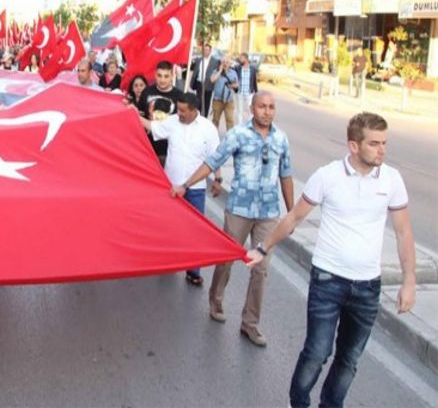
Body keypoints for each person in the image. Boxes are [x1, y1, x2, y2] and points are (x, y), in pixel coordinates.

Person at [248, 112, 415, 406]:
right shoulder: (327, 176)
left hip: (368, 287)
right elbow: (294, 217)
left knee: (349, 360)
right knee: (317, 353)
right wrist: (262, 248)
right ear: (353, 145)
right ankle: (298, 402)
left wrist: (409, 280)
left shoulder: (391, 179)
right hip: (328, 281)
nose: (382, 150)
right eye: (374, 143)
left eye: (384, 143)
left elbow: (403, 231)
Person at [172, 91, 294, 347]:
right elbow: (212, 161)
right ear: (252, 108)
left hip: (268, 214)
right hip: (239, 208)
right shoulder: (237, 134)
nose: (267, 111)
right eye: (262, 106)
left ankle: (250, 324)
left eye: (271, 107)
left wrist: (291, 212)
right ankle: (216, 301)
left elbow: (286, 174)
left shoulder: (281, 139)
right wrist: (186, 184)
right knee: (226, 260)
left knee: (260, 270)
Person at [139, 92, 222, 286]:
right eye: (178, 109)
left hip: (196, 189)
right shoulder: (173, 121)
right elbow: (153, 127)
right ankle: (167, 263)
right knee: (168, 228)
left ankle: (193, 271)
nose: (180, 113)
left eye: (183, 111)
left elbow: (216, 157)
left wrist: (218, 178)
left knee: (194, 232)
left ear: (194, 110)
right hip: (171, 188)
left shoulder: (208, 129)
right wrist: (133, 114)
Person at [139, 61, 185, 165]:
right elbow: (140, 115)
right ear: (155, 75)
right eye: (159, 75)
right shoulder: (147, 92)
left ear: (172, 76)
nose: (162, 80)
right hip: (147, 148)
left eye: (166, 76)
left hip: (169, 151)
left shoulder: (179, 96)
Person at [190, 44, 220, 117]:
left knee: (206, 103)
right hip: (199, 83)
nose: (205, 51)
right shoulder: (198, 60)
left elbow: (218, 71)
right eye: (204, 50)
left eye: (207, 50)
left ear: (210, 51)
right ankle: (197, 117)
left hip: (208, 84)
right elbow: (191, 68)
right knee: (198, 102)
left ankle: (204, 118)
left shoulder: (215, 61)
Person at [210, 56, 239, 132]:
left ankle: (230, 138)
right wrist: (220, 71)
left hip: (229, 101)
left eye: (227, 62)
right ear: (221, 63)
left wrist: (231, 85)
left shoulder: (233, 73)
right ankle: (214, 137)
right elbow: (212, 80)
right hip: (217, 100)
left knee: (230, 120)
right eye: (223, 62)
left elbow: (237, 85)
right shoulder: (216, 71)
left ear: (230, 64)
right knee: (215, 119)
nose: (225, 64)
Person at [234, 53, 258, 125]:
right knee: (240, 111)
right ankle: (240, 125)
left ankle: (249, 125)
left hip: (249, 92)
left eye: (241, 58)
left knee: (250, 110)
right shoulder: (237, 68)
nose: (240, 60)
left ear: (246, 59)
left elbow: (254, 80)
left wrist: (256, 92)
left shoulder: (252, 68)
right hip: (240, 92)